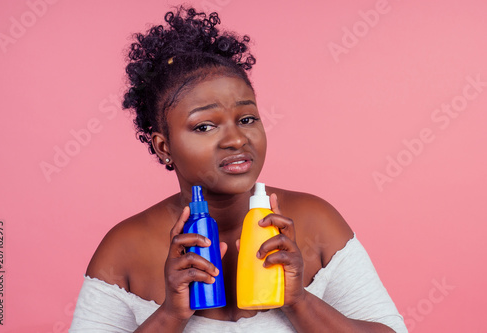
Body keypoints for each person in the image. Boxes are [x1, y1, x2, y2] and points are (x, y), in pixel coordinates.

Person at [70, 6, 407, 333]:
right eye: (204, 126)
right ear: (164, 146)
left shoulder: (315, 223)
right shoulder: (124, 250)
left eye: (247, 119)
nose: (235, 139)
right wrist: (171, 315)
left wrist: (299, 302)